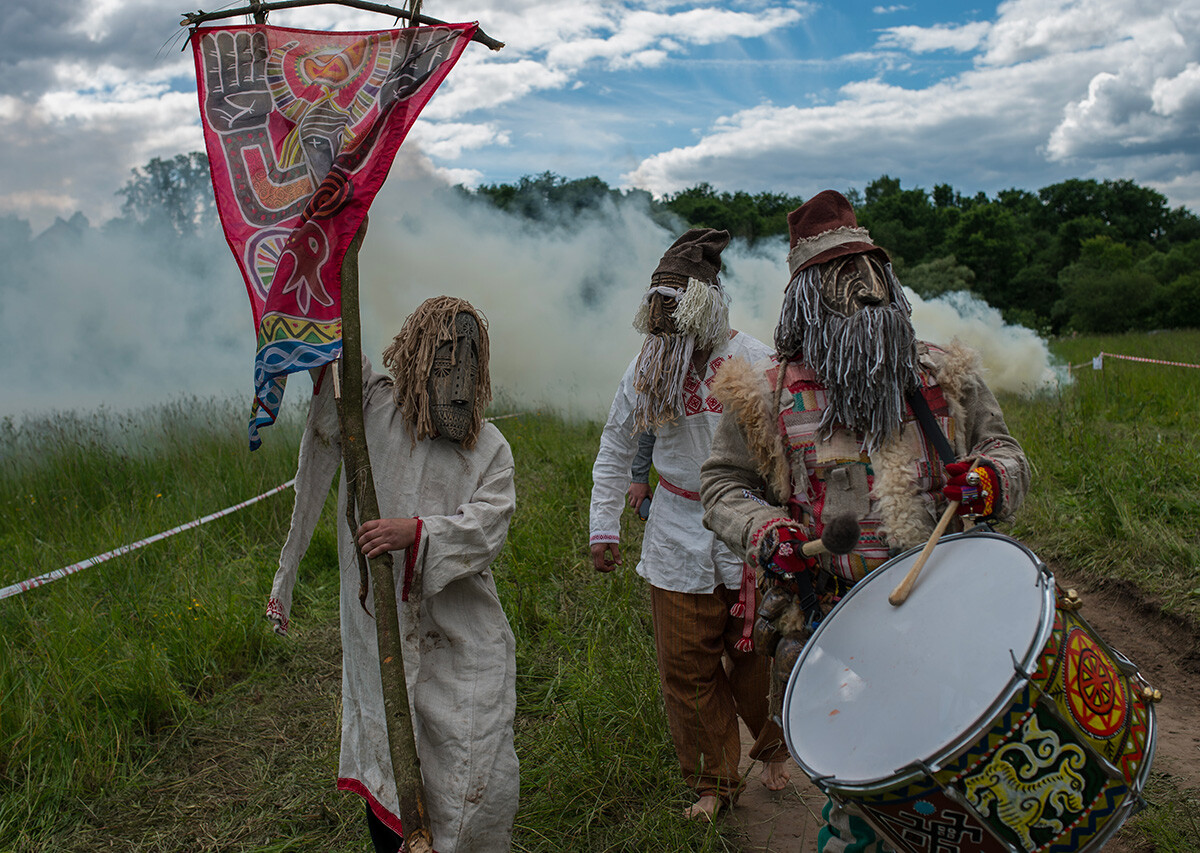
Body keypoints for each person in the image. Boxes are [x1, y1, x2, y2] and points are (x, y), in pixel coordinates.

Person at [699, 190, 1030, 853]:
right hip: (832, 627)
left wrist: (990, 478)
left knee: (962, 770)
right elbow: (722, 484)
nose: (866, 297)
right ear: (806, 300)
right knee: (866, 788)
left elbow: (1005, 451)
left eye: (873, 277)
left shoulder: (946, 373)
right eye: (842, 281)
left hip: (950, 618)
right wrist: (770, 534)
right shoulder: (764, 392)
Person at [266, 296, 518, 853]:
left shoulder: (490, 447)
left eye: (469, 363)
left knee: (471, 753)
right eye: (444, 360)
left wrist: (418, 533)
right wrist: (335, 262)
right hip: (377, 629)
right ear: (415, 358)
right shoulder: (371, 411)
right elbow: (330, 356)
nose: (457, 376)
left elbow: (487, 527)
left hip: (461, 634)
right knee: (389, 750)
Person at [588, 228, 790, 822]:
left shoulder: (755, 361)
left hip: (747, 528)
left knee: (757, 659)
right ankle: (714, 783)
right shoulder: (648, 366)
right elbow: (616, 442)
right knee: (685, 668)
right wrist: (605, 527)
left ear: (708, 305)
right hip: (674, 531)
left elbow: (789, 451)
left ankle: (775, 745)